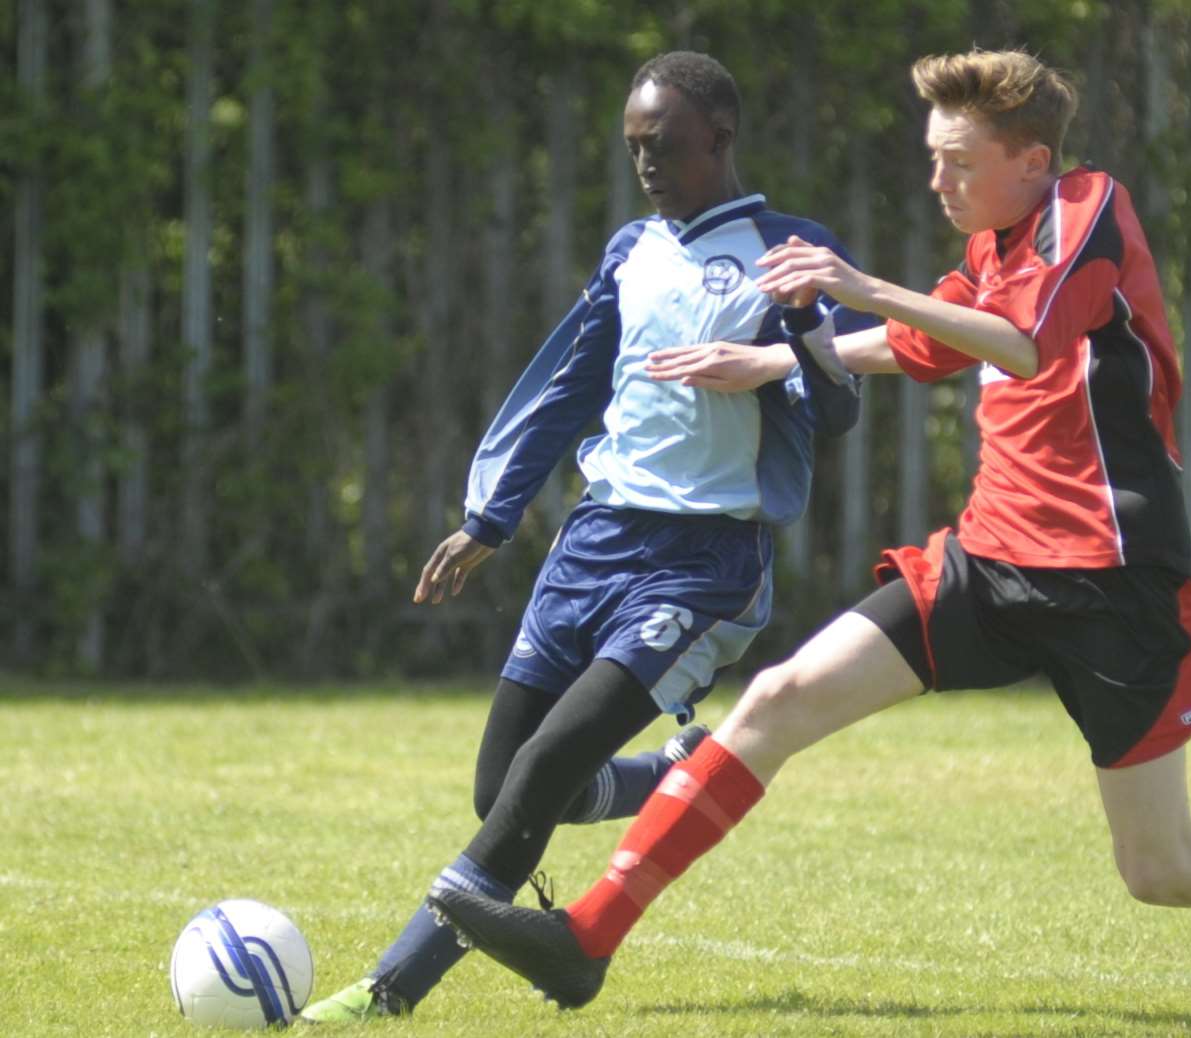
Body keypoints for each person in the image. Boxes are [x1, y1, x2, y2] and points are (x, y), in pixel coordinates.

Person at [427, 49, 1191, 1022]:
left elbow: (1022, 339)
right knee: (777, 699)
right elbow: (920, 341)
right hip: (988, 560)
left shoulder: (1088, 213)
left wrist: (855, 284)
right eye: (931, 159)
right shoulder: (990, 249)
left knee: (1163, 870)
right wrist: (776, 364)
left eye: (957, 162)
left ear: (1032, 163)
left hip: (1109, 581)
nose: (936, 182)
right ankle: (587, 940)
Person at [301, 51, 876, 1022]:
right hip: (591, 545)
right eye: (634, 148)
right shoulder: (631, 251)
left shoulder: (790, 252)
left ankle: (389, 991)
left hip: (700, 567)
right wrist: (492, 516)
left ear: (720, 140)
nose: (646, 163)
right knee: (503, 786)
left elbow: (840, 408)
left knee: (544, 770)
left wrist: (790, 343)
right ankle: (672, 775)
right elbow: (570, 387)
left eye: (664, 146)